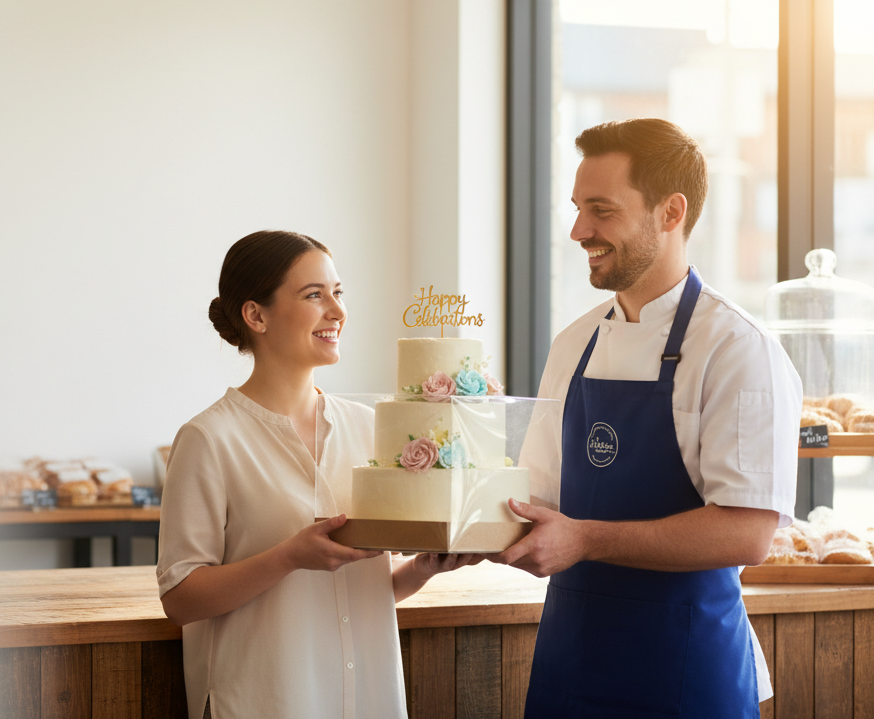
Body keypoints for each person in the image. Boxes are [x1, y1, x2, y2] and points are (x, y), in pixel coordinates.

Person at [504, 119, 801, 718]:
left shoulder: (736, 347)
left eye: (601, 210)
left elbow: (747, 533)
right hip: (571, 664)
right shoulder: (573, 344)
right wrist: (452, 519)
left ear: (670, 213)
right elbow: (535, 497)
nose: (578, 230)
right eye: (577, 208)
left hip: (686, 674)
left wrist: (583, 539)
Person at [156, 230, 474, 719]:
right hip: (268, 700)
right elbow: (180, 599)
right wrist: (289, 556)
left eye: (338, 293)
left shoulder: (373, 429)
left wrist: (423, 568)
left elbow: (358, 588)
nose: (338, 311)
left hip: (368, 696)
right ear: (255, 315)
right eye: (314, 295)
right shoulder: (208, 439)